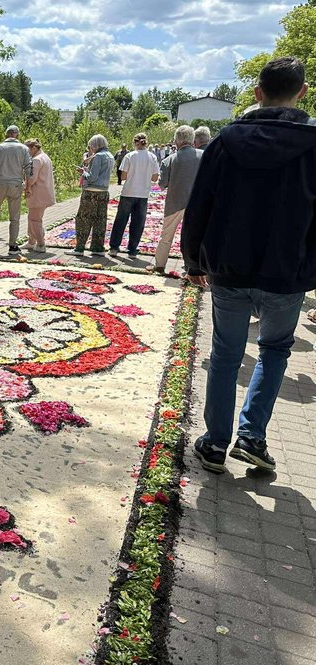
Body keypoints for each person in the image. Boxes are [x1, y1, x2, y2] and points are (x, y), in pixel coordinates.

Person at [182, 56, 316, 474]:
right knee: (274, 351)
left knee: (225, 353)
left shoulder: (226, 142)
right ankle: (252, 436)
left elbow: (199, 204)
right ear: (303, 93)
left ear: (257, 94)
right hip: (286, 270)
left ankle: (215, 443)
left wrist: (192, 259)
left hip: (229, 266)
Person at [148, 125, 201, 274]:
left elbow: (162, 185)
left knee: (167, 236)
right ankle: (192, 267)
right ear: (193, 140)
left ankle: (159, 265)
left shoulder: (169, 160)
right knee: (195, 236)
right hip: (197, 203)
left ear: (177, 141)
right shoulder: (204, 156)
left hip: (175, 203)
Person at [109, 132, 158, 257]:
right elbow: (155, 177)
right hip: (143, 193)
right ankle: (132, 249)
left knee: (121, 220)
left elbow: (123, 176)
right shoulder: (152, 157)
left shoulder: (130, 156)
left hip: (128, 191)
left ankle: (114, 247)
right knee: (138, 222)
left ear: (134, 142)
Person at [0, 125, 31, 254]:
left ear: (6, 134)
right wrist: (27, 185)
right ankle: (12, 246)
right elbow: (29, 167)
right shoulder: (23, 148)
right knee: (14, 217)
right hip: (15, 184)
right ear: (17, 134)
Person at [68, 135, 115, 256]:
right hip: (104, 191)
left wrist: (83, 172)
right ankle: (97, 247)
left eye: (91, 146)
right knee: (100, 220)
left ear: (96, 145)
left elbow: (93, 177)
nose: (90, 149)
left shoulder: (98, 157)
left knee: (84, 219)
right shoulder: (110, 156)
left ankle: (79, 248)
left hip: (91, 192)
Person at [22, 138, 55, 252]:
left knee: (34, 219)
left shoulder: (36, 160)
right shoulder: (45, 157)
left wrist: (25, 186)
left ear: (34, 148)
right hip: (44, 193)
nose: (26, 152)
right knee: (33, 217)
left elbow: (32, 178)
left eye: (27, 149)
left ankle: (41, 244)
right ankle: (31, 242)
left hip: (38, 194)